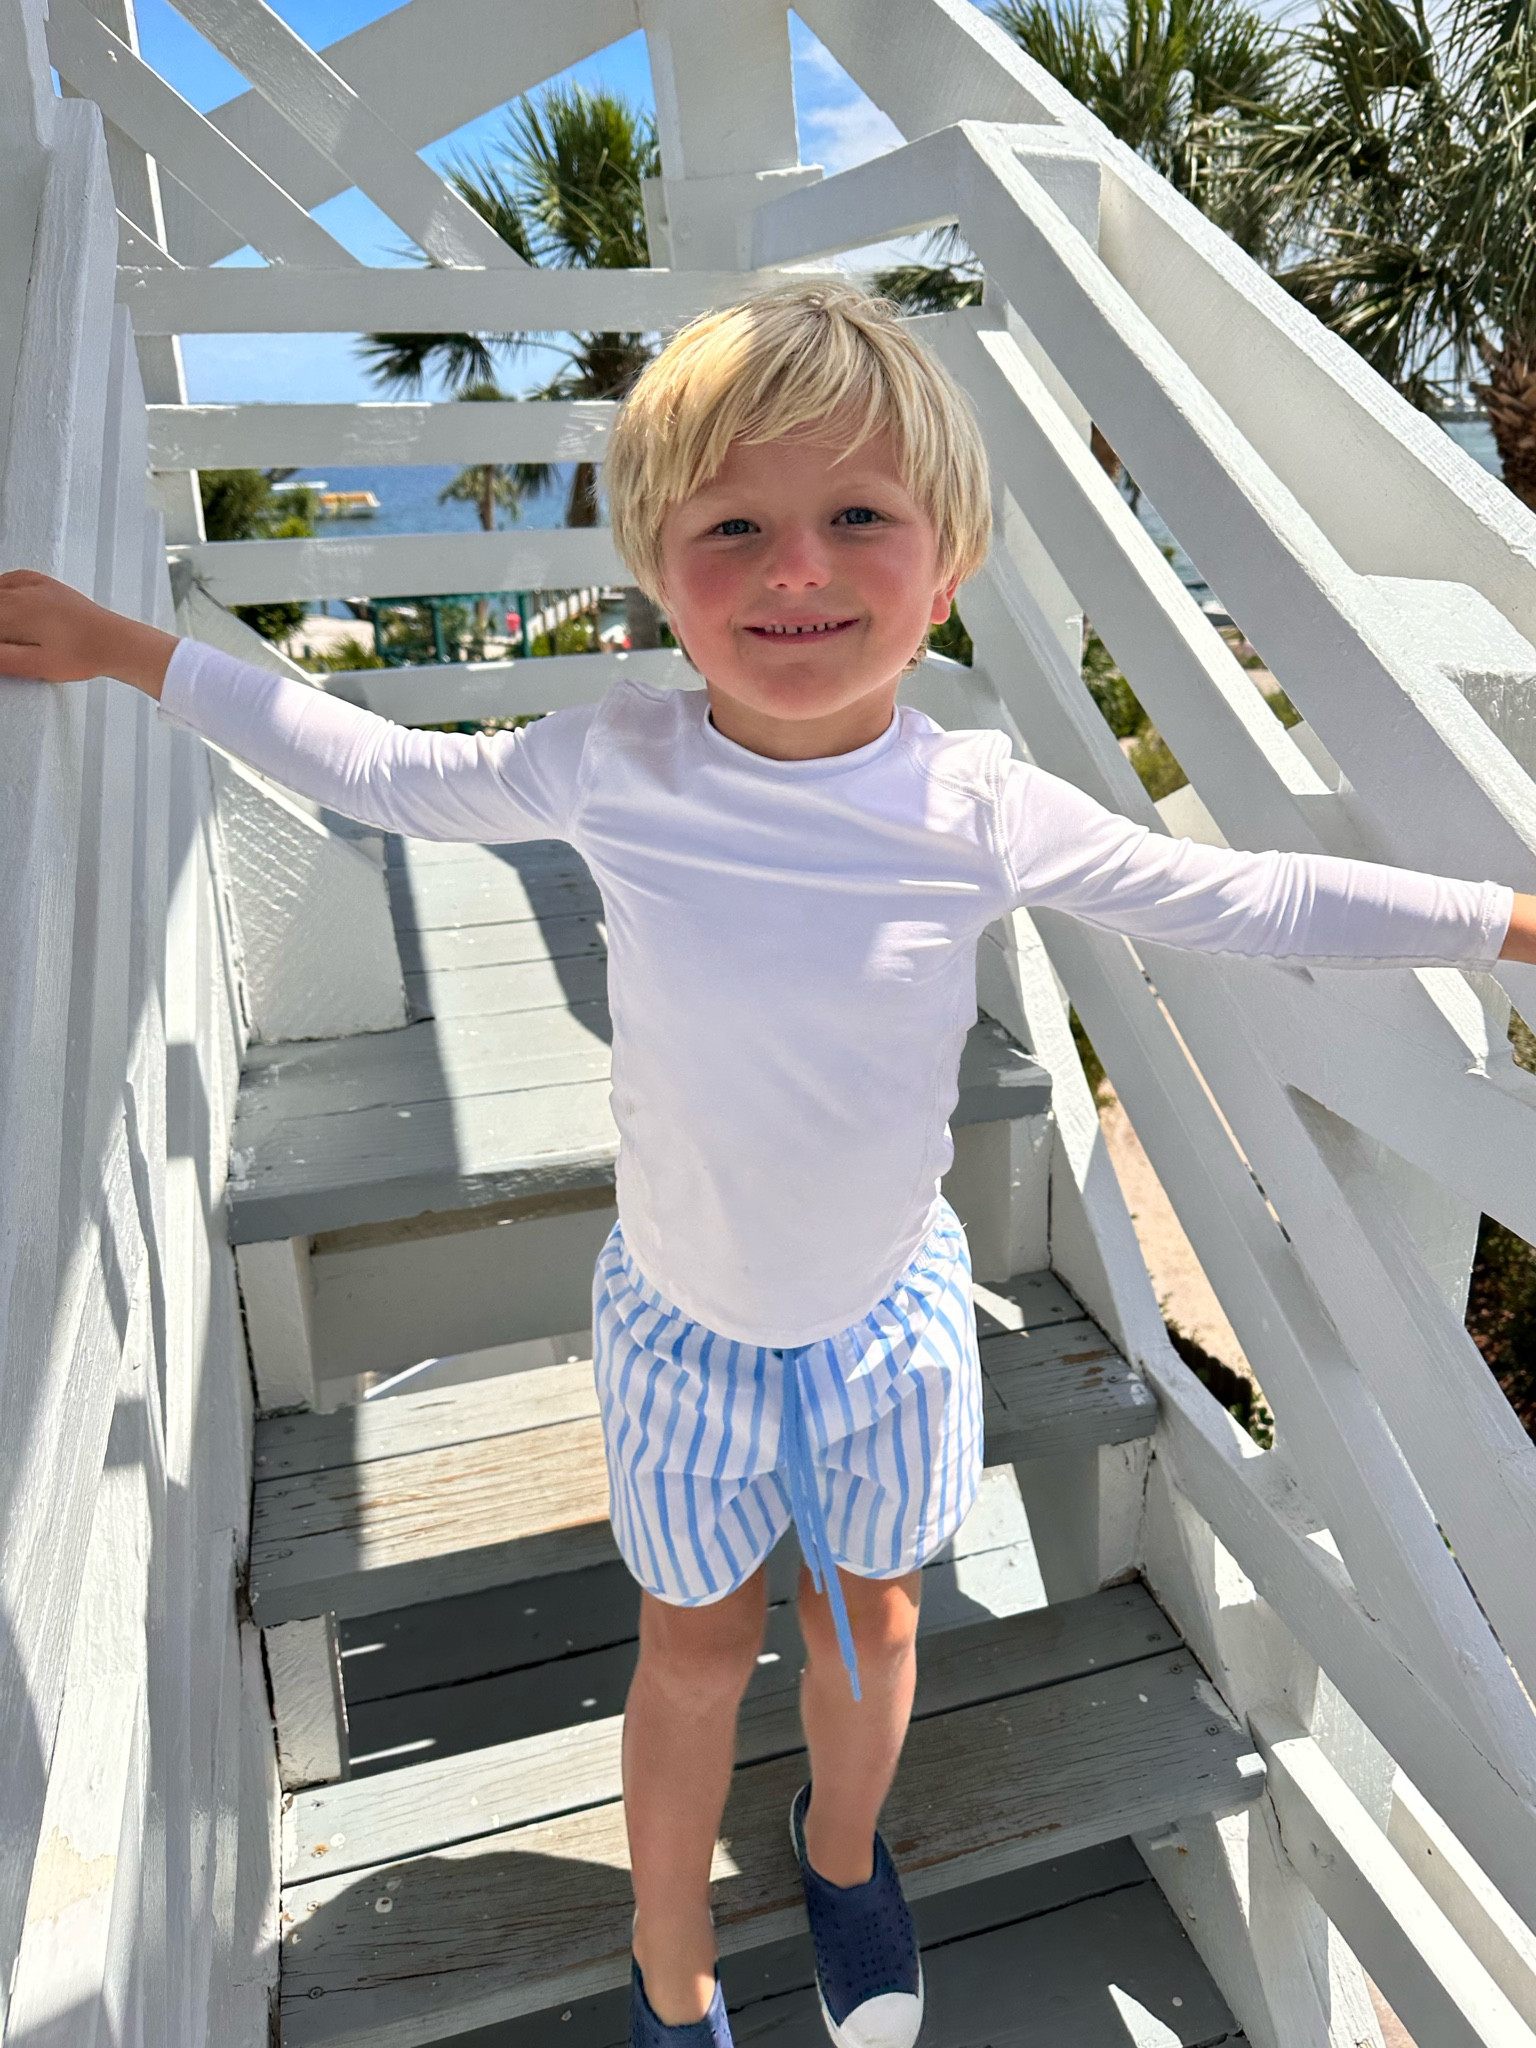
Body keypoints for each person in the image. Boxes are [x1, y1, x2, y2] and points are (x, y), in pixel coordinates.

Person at [2, 280, 1532, 2048]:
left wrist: (1505, 923)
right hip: (683, 1336)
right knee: (695, 1652)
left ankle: (841, 1844)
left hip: (888, 1324)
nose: (796, 567)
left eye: (857, 517)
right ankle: (672, 1959)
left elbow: (1256, 895)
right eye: (734, 525)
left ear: (942, 568)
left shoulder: (980, 802)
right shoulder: (617, 767)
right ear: (661, 568)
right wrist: (134, 652)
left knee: (876, 1628)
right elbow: (389, 770)